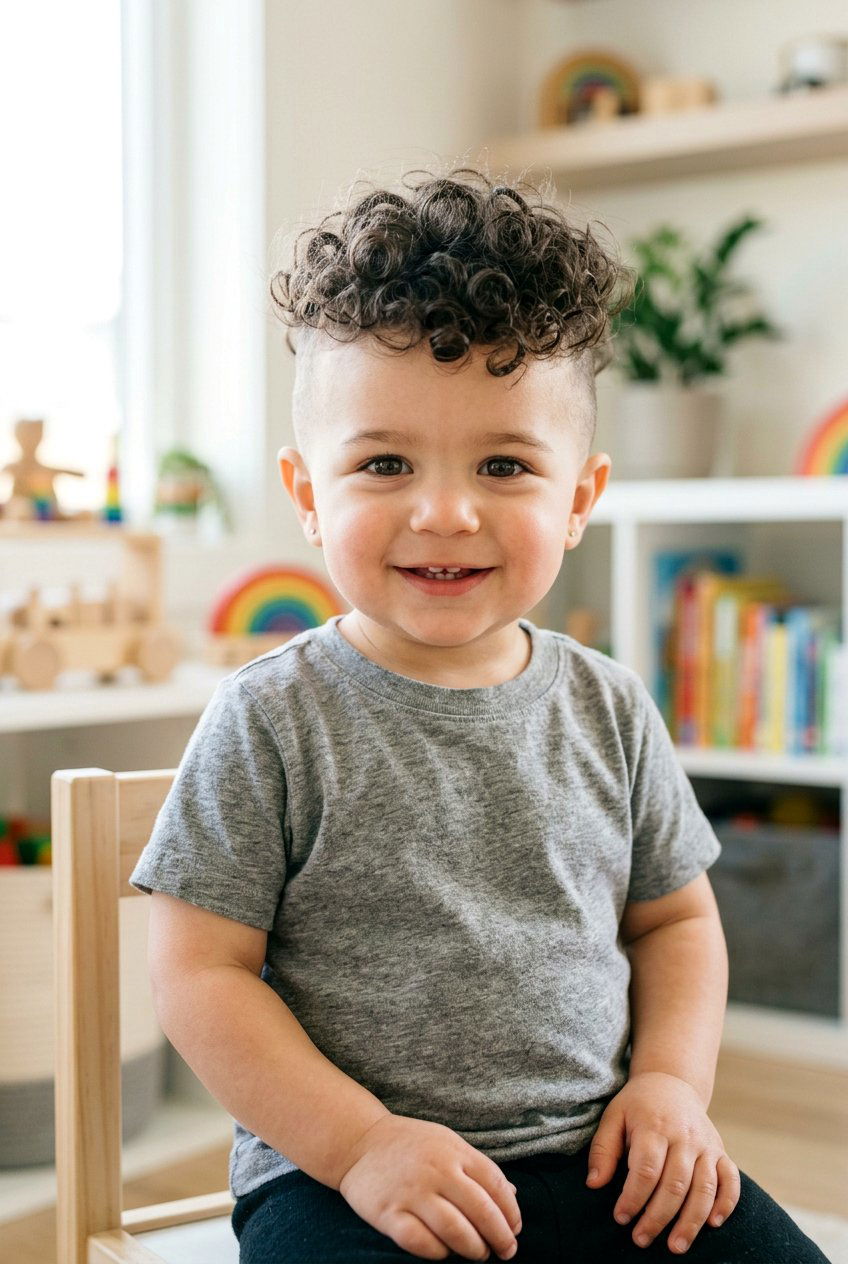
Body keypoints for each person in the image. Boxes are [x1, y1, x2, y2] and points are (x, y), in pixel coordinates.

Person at [129, 165, 830, 1263]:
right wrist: (359, 1143)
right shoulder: (269, 719)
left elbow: (675, 923)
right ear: (308, 495)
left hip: (600, 1155)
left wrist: (667, 1086)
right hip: (345, 1178)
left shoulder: (609, 706)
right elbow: (200, 973)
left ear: (579, 498)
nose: (445, 510)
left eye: (504, 462)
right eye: (383, 463)